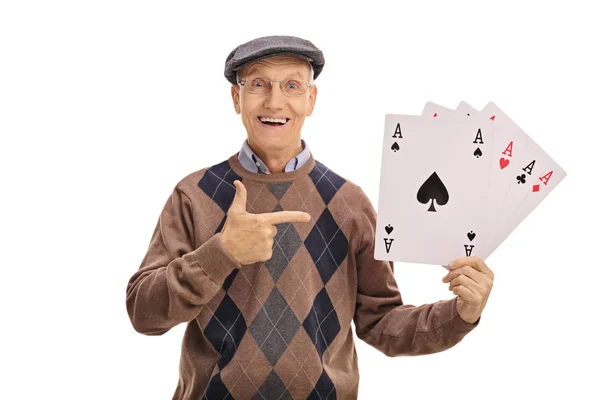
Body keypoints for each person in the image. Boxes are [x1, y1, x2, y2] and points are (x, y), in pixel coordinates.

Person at [126, 35, 494, 400]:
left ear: (310, 99)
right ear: (236, 98)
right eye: (257, 84)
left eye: (291, 85)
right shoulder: (194, 194)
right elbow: (144, 314)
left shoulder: (349, 202)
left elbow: (381, 323)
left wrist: (461, 313)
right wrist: (220, 252)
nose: (274, 100)